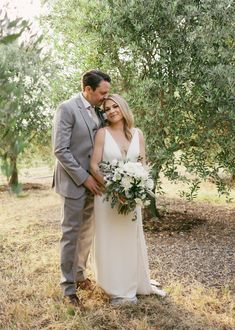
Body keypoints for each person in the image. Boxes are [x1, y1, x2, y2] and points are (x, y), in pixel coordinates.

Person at [90, 94, 166, 305]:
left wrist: (136, 188)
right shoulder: (102, 134)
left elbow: (142, 163)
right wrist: (111, 187)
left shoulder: (138, 133)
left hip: (131, 197)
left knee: (130, 239)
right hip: (107, 197)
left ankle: (137, 282)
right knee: (110, 240)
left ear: (123, 108)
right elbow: (94, 165)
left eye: (115, 106)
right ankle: (116, 289)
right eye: (106, 109)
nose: (112, 111)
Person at [52, 69, 111, 306]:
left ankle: (79, 275)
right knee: (71, 235)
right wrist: (84, 177)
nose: (105, 97)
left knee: (86, 233)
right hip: (73, 183)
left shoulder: (99, 110)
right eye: (102, 92)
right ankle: (67, 289)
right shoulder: (67, 108)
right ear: (87, 89)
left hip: (93, 184)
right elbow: (60, 149)